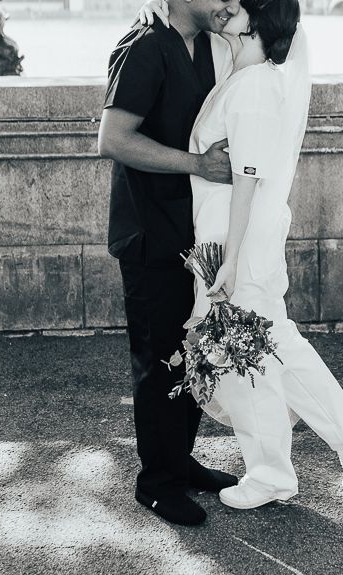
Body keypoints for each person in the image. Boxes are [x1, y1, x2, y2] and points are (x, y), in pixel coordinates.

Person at [141, 0, 343, 510]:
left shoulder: (251, 88)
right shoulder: (245, 78)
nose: (228, 6)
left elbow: (248, 179)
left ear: (257, 24)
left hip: (237, 239)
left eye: (241, 6)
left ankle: (274, 471)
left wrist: (227, 258)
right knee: (270, 344)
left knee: (246, 353)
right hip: (235, 236)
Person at [97, 0, 243, 527]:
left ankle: (179, 462)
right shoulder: (142, 47)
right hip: (148, 234)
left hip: (194, 231)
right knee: (160, 362)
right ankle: (157, 484)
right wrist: (197, 164)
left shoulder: (208, 45)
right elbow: (112, 139)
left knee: (195, 352)